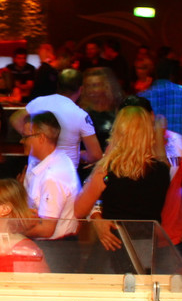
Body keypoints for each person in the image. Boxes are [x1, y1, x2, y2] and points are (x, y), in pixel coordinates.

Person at [73, 105, 171, 251]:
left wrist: (96, 217)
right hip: (146, 246)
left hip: (113, 243)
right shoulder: (162, 170)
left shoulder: (108, 171)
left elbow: (79, 210)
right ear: (148, 133)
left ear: (118, 132)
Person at [18, 68, 102, 170]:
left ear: (58, 85)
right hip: (64, 174)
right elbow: (95, 155)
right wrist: (80, 155)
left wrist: (30, 137)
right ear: (81, 89)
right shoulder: (81, 115)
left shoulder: (38, 102)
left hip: (35, 171)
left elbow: (15, 119)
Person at [21, 112, 80, 241]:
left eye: (25, 137)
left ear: (41, 138)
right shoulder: (36, 159)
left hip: (56, 247)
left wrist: (10, 229)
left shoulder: (53, 177)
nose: (21, 141)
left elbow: (46, 230)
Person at [80, 67, 120, 152]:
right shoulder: (81, 112)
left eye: (95, 86)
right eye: (87, 86)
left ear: (106, 86)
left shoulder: (117, 110)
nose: (91, 90)